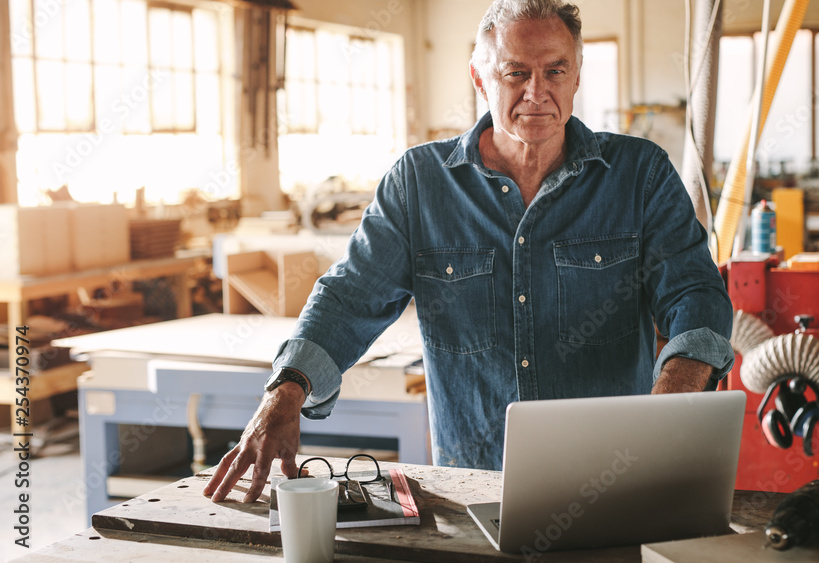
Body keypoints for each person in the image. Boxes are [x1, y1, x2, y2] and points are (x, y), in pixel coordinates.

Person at [204, 0, 733, 504]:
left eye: (555, 71)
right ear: (479, 78)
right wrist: (286, 389)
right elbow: (350, 298)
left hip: (616, 478)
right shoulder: (419, 184)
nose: (536, 92)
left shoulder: (638, 174)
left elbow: (695, 291)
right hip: (473, 486)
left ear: (576, 77)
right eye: (515, 73)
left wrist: (673, 401)